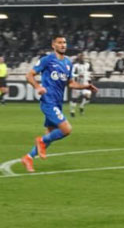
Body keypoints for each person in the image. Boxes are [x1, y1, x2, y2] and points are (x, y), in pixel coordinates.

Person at [20, 35, 98, 173]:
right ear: (53, 45)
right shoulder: (47, 60)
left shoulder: (68, 63)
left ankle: (28, 157)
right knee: (66, 129)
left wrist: (86, 86)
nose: (63, 45)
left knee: (50, 135)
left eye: (65, 42)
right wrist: (38, 87)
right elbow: (29, 75)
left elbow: (71, 84)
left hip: (58, 102)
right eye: (60, 42)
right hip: (48, 101)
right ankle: (41, 141)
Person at [70, 52, 94, 117]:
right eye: (81, 57)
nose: (82, 58)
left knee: (88, 97)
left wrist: (90, 76)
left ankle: (81, 106)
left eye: (83, 57)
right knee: (74, 99)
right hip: (77, 84)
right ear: (78, 58)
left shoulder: (87, 65)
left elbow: (90, 72)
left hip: (85, 84)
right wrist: (78, 75)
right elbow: (71, 74)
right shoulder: (75, 66)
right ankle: (72, 111)